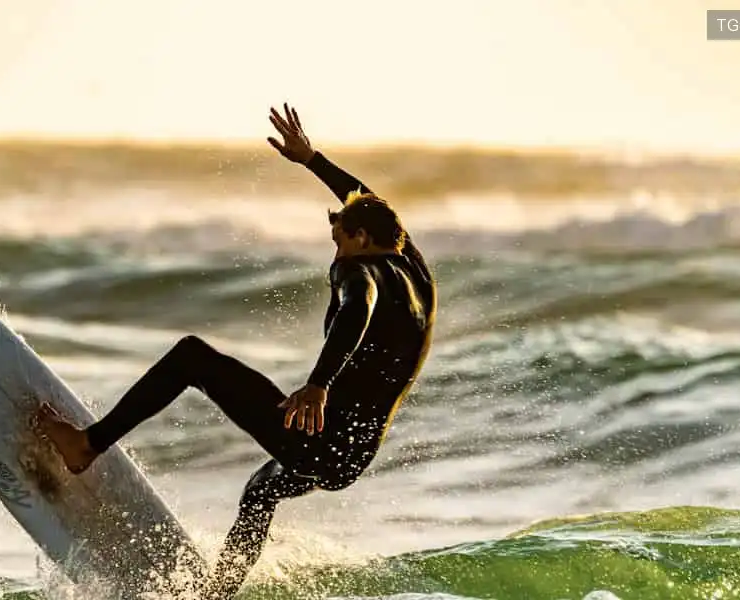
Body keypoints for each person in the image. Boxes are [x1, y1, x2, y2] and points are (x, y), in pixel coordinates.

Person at [31, 103, 437, 599]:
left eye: (339, 240)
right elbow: (368, 200)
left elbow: (358, 309)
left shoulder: (357, 269)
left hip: (320, 439)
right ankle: (217, 594)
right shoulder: (415, 272)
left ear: (361, 238)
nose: (335, 249)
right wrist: (312, 160)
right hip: (352, 457)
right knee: (260, 492)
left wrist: (318, 385)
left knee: (191, 356)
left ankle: (86, 445)